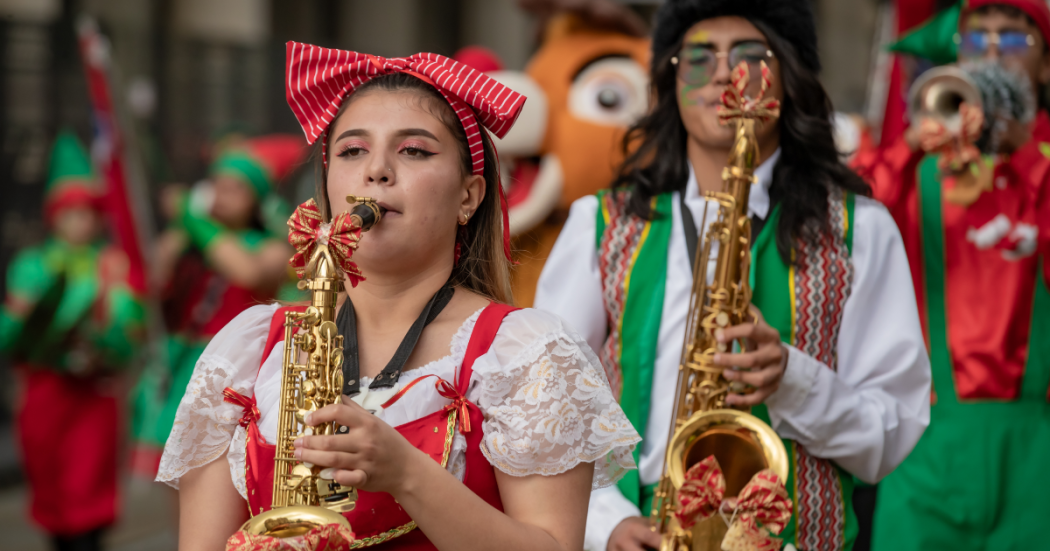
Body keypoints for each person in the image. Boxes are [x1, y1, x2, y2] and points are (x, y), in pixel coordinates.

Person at [156, 43, 641, 551]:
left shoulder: (527, 356)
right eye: (351, 150)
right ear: (327, 187)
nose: (377, 170)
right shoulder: (248, 351)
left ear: (468, 197)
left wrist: (407, 475)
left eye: (413, 150)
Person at [533, 1, 933, 550]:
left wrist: (791, 379)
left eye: (750, 55)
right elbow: (545, 410)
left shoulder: (861, 228)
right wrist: (603, 522)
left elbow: (890, 438)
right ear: (670, 83)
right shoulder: (598, 223)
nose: (724, 72)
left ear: (787, 79)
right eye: (699, 57)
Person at [860, 1, 1050, 549]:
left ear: (1045, 65)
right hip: (927, 454)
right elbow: (843, 225)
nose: (993, 50)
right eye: (977, 39)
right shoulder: (918, 171)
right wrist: (914, 142)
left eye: (1014, 39)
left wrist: (1025, 154)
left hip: (1036, 455)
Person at [0, 130, 145, 551]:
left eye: (88, 213)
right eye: (71, 213)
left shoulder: (111, 264)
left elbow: (127, 335)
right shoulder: (32, 265)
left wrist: (115, 320)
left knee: (90, 494)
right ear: (54, 217)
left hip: (94, 397)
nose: (80, 222)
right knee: (52, 492)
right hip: (46, 394)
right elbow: (11, 335)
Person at [130, 136, 300, 475]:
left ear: (257, 200)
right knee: (180, 470)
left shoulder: (270, 248)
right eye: (216, 186)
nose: (222, 195)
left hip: (237, 370)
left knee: (228, 467)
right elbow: (152, 275)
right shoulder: (190, 240)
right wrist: (183, 228)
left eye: (236, 189)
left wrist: (193, 220)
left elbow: (245, 270)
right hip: (184, 367)